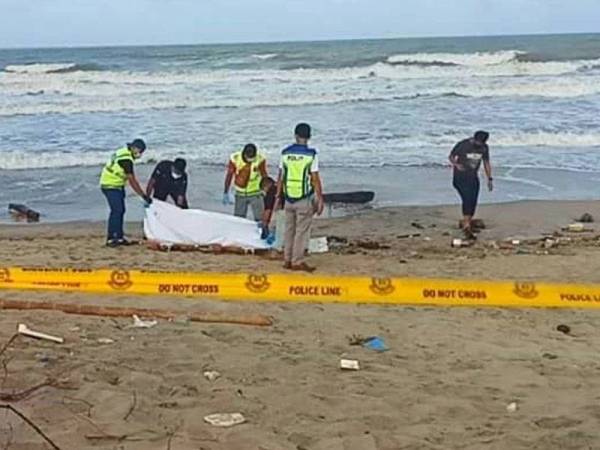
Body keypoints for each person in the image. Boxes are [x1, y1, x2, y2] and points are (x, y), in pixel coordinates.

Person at [275, 123, 324, 272]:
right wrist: (320, 198)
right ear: (309, 137)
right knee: (301, 232)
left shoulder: (285, 153)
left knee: (289, 230)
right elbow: (315, 178)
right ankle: (297, 261)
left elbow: (280, 177)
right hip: (304, 198)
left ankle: (287, 259)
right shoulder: (311, 155)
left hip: (288, 197)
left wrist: (278, 196)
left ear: (295, 135)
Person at [99, 139, 151, 247]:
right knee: (117, 210)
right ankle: (112, 238)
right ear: (134, 148)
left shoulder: (123, 151)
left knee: (120, 210)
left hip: (116, 184)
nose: (140, 154)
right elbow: (132, 181)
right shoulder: (126, 160)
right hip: (110, 185)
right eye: (140, 151)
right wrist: (143, 195)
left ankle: (119, 237)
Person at [449, 130, 493, 239]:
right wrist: (456, 165)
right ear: (474, 139)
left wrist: (489, 178)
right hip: (460, 177)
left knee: (473, 200)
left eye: (481, 143)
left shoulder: (484, 148)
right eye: (478, 142)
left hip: (473, 177)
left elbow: (486, 163)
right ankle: (466, 224)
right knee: (467, 198)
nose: (479, 145)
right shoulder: (463, 145)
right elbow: (451, 156)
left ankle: (466, 221)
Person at [223, 143, 268, 222]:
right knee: (239, 219)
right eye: (249, 157)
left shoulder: (260, 159)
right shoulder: (235, 158)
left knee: (260, 219)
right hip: (240, 193)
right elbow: (229, 175)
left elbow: (264, 175)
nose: (251, 160)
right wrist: (226, 192)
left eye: (253, 158)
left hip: (256, 193)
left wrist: (266, 190)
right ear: (244, 154)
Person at [260, 176, 278, 240]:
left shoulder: (270, 193)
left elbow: (268, 210)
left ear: (265, 186)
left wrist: (264, 224)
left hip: (279, 214)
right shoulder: (279, 186)